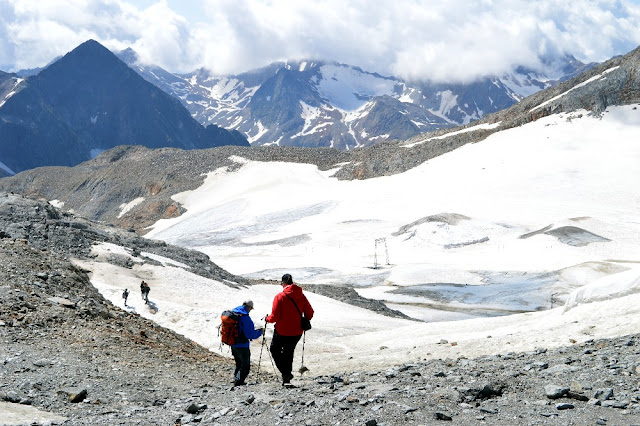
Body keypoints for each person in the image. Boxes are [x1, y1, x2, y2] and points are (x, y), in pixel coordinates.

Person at [266, 273, 314, 386]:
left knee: (275, 350)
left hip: (281, 331)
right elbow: (310, 313)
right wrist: (303, 320)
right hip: (297, 331)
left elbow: (274, 317)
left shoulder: (280, 296)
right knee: (288, 352)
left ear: (283, 283)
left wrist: (267, 319)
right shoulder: (301, 296)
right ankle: (286, 378)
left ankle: (286, 373)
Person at [230, 300, 263, 387]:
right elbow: (250, 334)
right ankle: (239, 381)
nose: (250, 310)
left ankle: (236, 378)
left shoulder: (233, 314)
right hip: (242, 344)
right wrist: (260, 332)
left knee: (238, 363)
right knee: (245, 364)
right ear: (249, 307)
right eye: (251, 308)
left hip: (232, 343)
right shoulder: (245, 317)